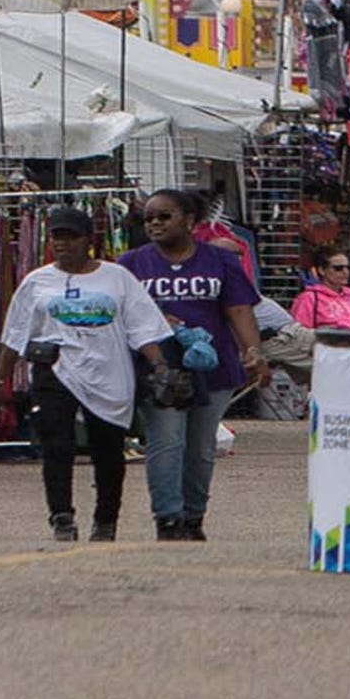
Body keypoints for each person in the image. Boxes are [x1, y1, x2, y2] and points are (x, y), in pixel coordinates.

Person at [0, 206, 175, 543]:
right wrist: (0, 381)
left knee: (108, 449)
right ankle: (61, 515)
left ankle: (105, 520)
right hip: (54, 371)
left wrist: (160, 367)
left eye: (71, 237)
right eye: (57, 236)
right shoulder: (37, 282)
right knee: (57, 445)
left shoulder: (117, 278)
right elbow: (14, 335)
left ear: (89, 240)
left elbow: (142, 328)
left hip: (107, 373)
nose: (63, 244)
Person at [116, 189, 263, 543]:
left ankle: (194, 515)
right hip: (159, 368)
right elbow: (119, 314)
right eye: (149, 217)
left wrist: (253, 351)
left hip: (213, 366)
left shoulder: (220, 261)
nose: (155, 223)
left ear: (190, 221)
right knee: (166, 442)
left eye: (164, 216)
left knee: (199, 448)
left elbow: (238, 310)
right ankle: (168, 518)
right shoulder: (130, 264)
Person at [289, 252, 350, 331]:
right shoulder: (309, 299)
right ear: (322, 270)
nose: (345, 272)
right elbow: (301, 334)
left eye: (348, 267)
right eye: (338, 268)